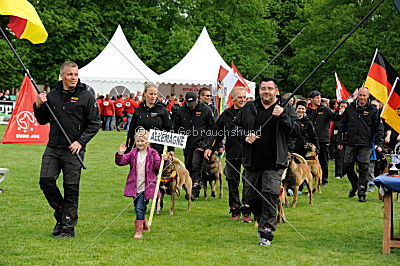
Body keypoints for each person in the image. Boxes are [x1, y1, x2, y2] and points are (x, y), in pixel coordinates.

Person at [33, 61, 100, 238]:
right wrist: (38, 105)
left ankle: (68, 227)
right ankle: (61, 214)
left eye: (76, 75)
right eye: (70, 75)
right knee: (46, 180)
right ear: (62, 75)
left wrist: (80, 142)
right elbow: (42, 120)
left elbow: (94, 124)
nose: (73, 78)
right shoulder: (52, 95)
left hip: (74, 150)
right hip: (53, 148)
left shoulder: (86, 96)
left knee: (71, 188)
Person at [232, 77, 296, 247]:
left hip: (275, 161)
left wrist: (282, 116)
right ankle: (260, 217)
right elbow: (234, 127)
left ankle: (266, 231)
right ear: (258, 91)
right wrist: (245, 136)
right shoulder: (249, 107)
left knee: (269, 193)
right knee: (250, 196)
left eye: (269, 88)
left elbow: (296, 130)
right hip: (252, 161)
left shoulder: (285, 108)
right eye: (263, 88)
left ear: (276, 90)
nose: (266, 92)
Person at [204, 86, 247, 220]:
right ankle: (234, 209)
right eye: (240, 97)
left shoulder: (251, 112)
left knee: (249, 182)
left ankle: (247, 210)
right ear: (233, 98)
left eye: (245, 97)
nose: (242, 100)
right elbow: (217, 132)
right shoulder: (226, 115)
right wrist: (210, 147)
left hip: (249, 152)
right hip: (232, 151)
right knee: (232, 180)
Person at [337, 87, 384, 202]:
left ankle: (362, 192)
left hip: (366, 143)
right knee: (347, 166)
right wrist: (339, 141)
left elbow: (379, 128)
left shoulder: (373, 110)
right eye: (360, 95)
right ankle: (355, 185)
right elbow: (342, 125)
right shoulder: (350, 108)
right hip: (351, 142)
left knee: (364, 168)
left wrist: (379, 143)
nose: (362, 98)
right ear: (357, 96)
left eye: (364, 96)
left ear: (368, 97)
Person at [115, 129, 161, 239]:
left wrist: (163, 160)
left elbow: (158, 168)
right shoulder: (133, 153)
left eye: (142, 141)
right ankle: (145, 224)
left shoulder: (153, 153)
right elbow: (121, 162)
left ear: (148, 142)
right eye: (138, 141)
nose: (140, 143)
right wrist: (121, 153)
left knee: (139, 208)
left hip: (147, 186)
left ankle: (138, 231)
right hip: (135, 185)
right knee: (138, 206)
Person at [174, 91, 215, 198]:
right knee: (188, 165)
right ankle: (192, 186)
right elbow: (176, 126)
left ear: (197, 100)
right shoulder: (181, 110)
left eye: (193, 104)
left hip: (201, 142)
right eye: (189, 104)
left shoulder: (206, 109)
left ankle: (194, 190)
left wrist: (208, 143)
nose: (191, 107)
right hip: (187, 143)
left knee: (195, 164)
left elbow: (212, 127)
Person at [126, 82, 174, 156]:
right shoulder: (138, 110)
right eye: (151, 94)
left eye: (155, 94)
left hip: (157, 149)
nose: (153, 96)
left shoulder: (162, 110)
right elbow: (132, 131)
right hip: (140, 148)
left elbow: (169, 129)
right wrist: (128, 148)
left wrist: (171, 149)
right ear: (145, 93)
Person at [307, 91, 342, 186]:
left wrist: (340, 112)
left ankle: (324, 180)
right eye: (316, 98)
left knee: (323, 160)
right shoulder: (307, 110)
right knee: (309, 160)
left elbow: (335, 117)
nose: (318, 99)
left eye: (319, 97)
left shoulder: (325, 109)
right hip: (309, 139)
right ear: (311, 99)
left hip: (322, 139)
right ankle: (309, 179)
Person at [333, 100, 348, 179]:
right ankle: (338, 173)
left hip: (348, 139)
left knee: (346, 157)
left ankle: (344, 172)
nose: (343, 108)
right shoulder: (336, 115)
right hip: (338, 138)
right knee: (339, 156)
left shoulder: (349, 115)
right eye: (341, 106)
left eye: (345, 107)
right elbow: (335, 126)